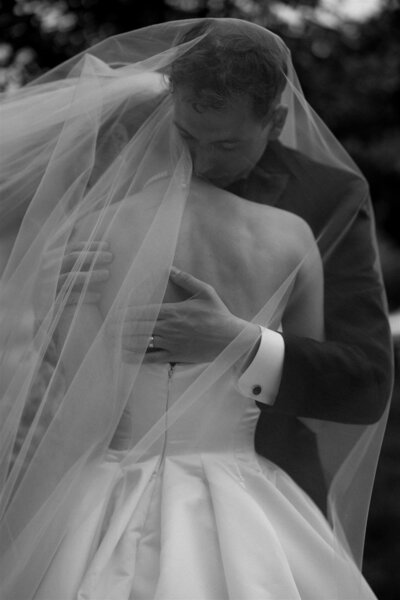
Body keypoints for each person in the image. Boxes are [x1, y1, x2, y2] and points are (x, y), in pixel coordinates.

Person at [0, 18, 392, 599]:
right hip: (128, 481)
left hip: (254, 507)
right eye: (187, 136)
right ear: (169, 108)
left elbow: (364, 382)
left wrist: (243, 343)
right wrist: (50, 288)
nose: (203, 161)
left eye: (228, 144)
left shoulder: (327, 199)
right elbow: (66, 382)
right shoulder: (107, 186)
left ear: (275, 121)